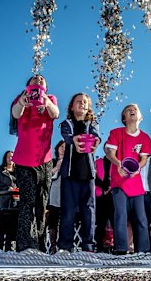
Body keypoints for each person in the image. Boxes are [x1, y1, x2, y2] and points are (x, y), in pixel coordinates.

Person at [11, 74, 60, 252]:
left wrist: (46, 102)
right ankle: (24, 244)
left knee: (41, 202)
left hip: (44, 160)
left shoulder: (51, 98)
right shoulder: (21, 98)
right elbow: (16, 114)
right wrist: (23, 102)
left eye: (42, 79)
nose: (39, 79)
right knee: (27, 201)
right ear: (28, 85)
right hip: (23, 161)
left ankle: (39, 243)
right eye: (35, 78)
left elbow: (55, 114)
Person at [105, 103, 151, 254]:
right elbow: (109, 152)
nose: (132, 111)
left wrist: (138, 167)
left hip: (136, 184)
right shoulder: (116, 133)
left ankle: (143, 250)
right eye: (128, 110)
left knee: (141, 218)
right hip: (119, 182)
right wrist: (118, 164)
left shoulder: (145, 138)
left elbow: (143, 159)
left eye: (135, 109)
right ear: (124, 118)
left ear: (141, 117)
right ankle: (121, 248)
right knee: (120, 215)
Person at [58, 93, 101, 253]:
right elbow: (67, 135)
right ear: (71, 106)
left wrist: (96, 141)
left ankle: (88, 246)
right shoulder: (66, 123)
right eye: (78, 101)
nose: (82, 104)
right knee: (68, 211)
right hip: (70, 175)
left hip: (88, 175)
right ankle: (65, 246)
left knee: (89, 211)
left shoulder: (92, 123)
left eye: (85, 102)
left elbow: (96, 136)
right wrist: (74, 140)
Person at [46, 140, 65, 253]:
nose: (63, 149)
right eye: (61, 146)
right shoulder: (52, 161)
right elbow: (48, 175)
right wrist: (57, 167)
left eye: (66, 147)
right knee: (53, 219)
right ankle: (53, 245)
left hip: (66, 195)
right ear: (57, 148)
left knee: (64, 219)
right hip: (53, 195)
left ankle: (63, 244)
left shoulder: (70, 162)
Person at [94, 153, 114, 253]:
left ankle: (115, 246)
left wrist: (110, 187)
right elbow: (94, 176)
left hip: (112, 196)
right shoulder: (97, 162)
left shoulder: (116, 163)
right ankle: (100, 246)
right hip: (100, 196)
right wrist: (104, 187)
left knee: (114, 222)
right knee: (100, 222)